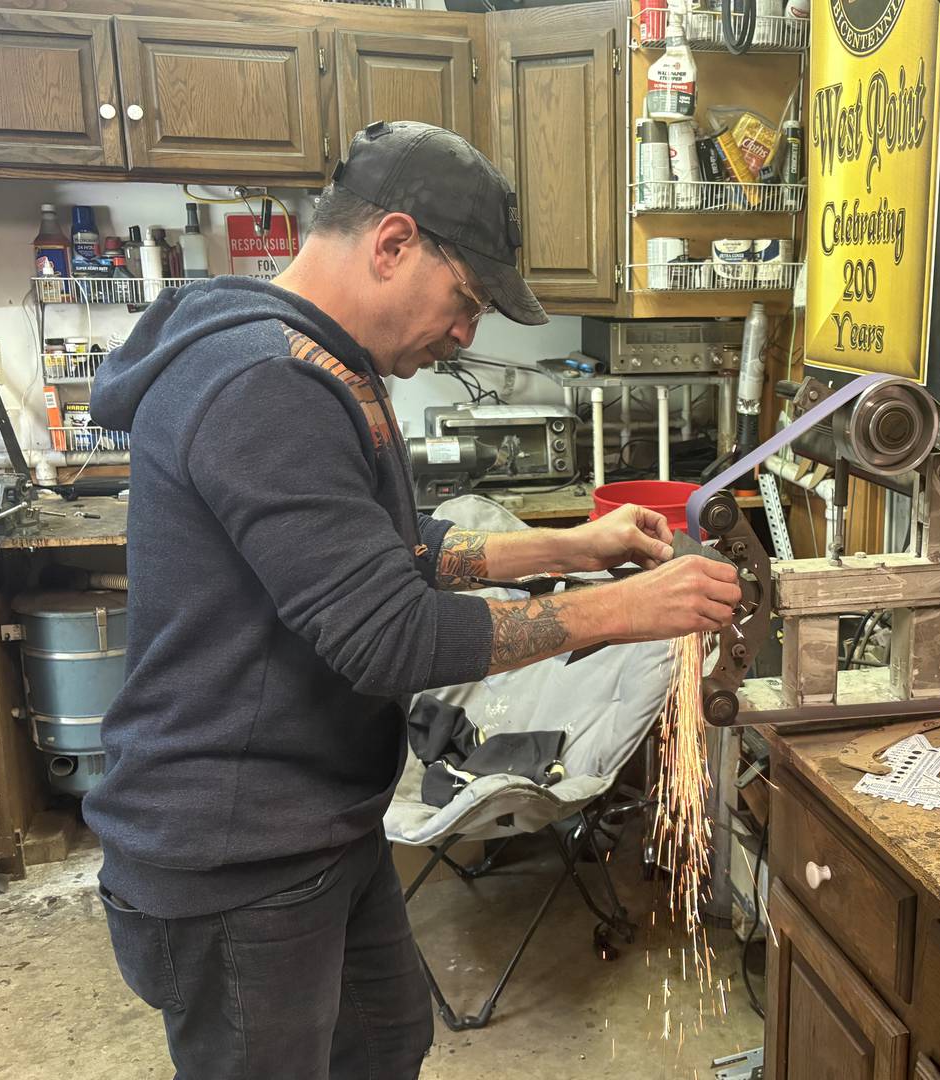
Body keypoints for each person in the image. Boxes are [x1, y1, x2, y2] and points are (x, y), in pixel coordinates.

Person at [82, 121, 742, 1080]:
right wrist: (625, 609)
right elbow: (387, 635)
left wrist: (574, 543)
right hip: (236, 853)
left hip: (316, 824)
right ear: (392, 243)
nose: (466, 333)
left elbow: (390, 556)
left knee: (388, 1039)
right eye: (466, 299)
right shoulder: (267, 379)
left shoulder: (319, 360)